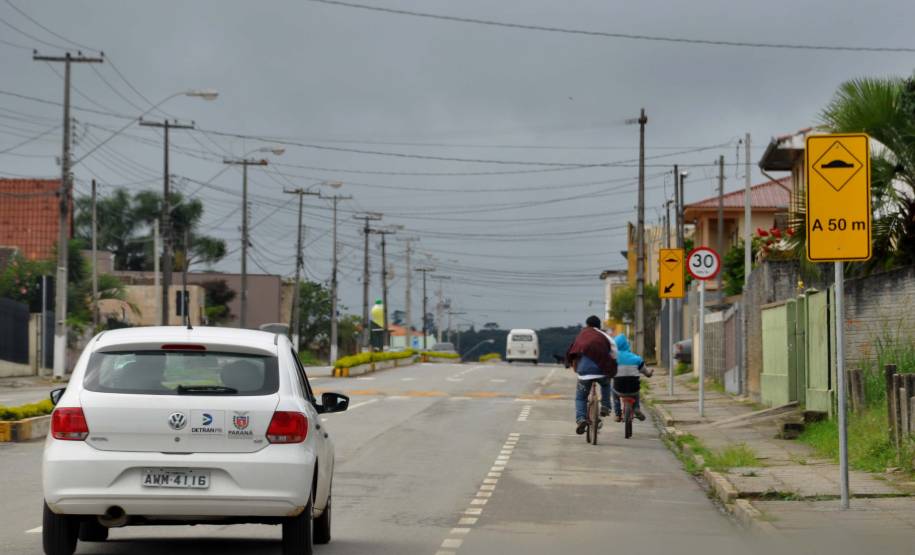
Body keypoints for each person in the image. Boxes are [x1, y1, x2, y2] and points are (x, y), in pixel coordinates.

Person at [565, 315, 617, 435]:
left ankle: (581, 419)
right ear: (599, 325)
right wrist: (612, 364)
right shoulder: (604, 336)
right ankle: (605, 406)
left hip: (584, 372)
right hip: (602, 371)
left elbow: (572, 350)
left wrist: (570, 364)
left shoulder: (581, 335)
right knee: (605, 384)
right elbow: (614, 351)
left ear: (587, 324)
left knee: (581, 397)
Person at [611, 334, 653, 422]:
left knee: (613, 392)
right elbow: (646, 372)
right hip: (633, 389)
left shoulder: (613, 359)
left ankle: (618, 414)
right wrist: (649, 373)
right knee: (637, 392)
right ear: (627, 345)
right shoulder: (637, 358)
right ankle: (637, 408)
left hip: (619, 389)